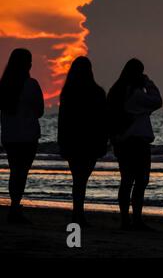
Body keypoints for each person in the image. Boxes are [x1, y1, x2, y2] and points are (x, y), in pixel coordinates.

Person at [107, 58, 162, 230]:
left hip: (122, 141)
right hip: (137, 141)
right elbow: (157, 101)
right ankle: (136, 219)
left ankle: (125, 219)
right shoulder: (136, 93)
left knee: (126, 181)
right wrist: (148, 82)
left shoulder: (116, 91)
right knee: (140, 181)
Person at [58, 56, 108, 227]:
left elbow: (62, 120)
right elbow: (103, 121)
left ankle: (77, 213)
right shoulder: (98, 92)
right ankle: (78, 214)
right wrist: (104, 142)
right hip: (90, 142)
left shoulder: (67, 92)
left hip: (73, 141)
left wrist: (61, 142)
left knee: (77, 179)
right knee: (82, 179)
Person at [0, 48, 44, 224]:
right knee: (22, 172)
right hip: (27, 135)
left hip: (10, 136)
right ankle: (15, 206)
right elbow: (40, 111)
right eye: (30, 61)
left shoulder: (4, 86)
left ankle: (14, 206)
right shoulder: (31, 84)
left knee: (14, 171)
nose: (31, 64)